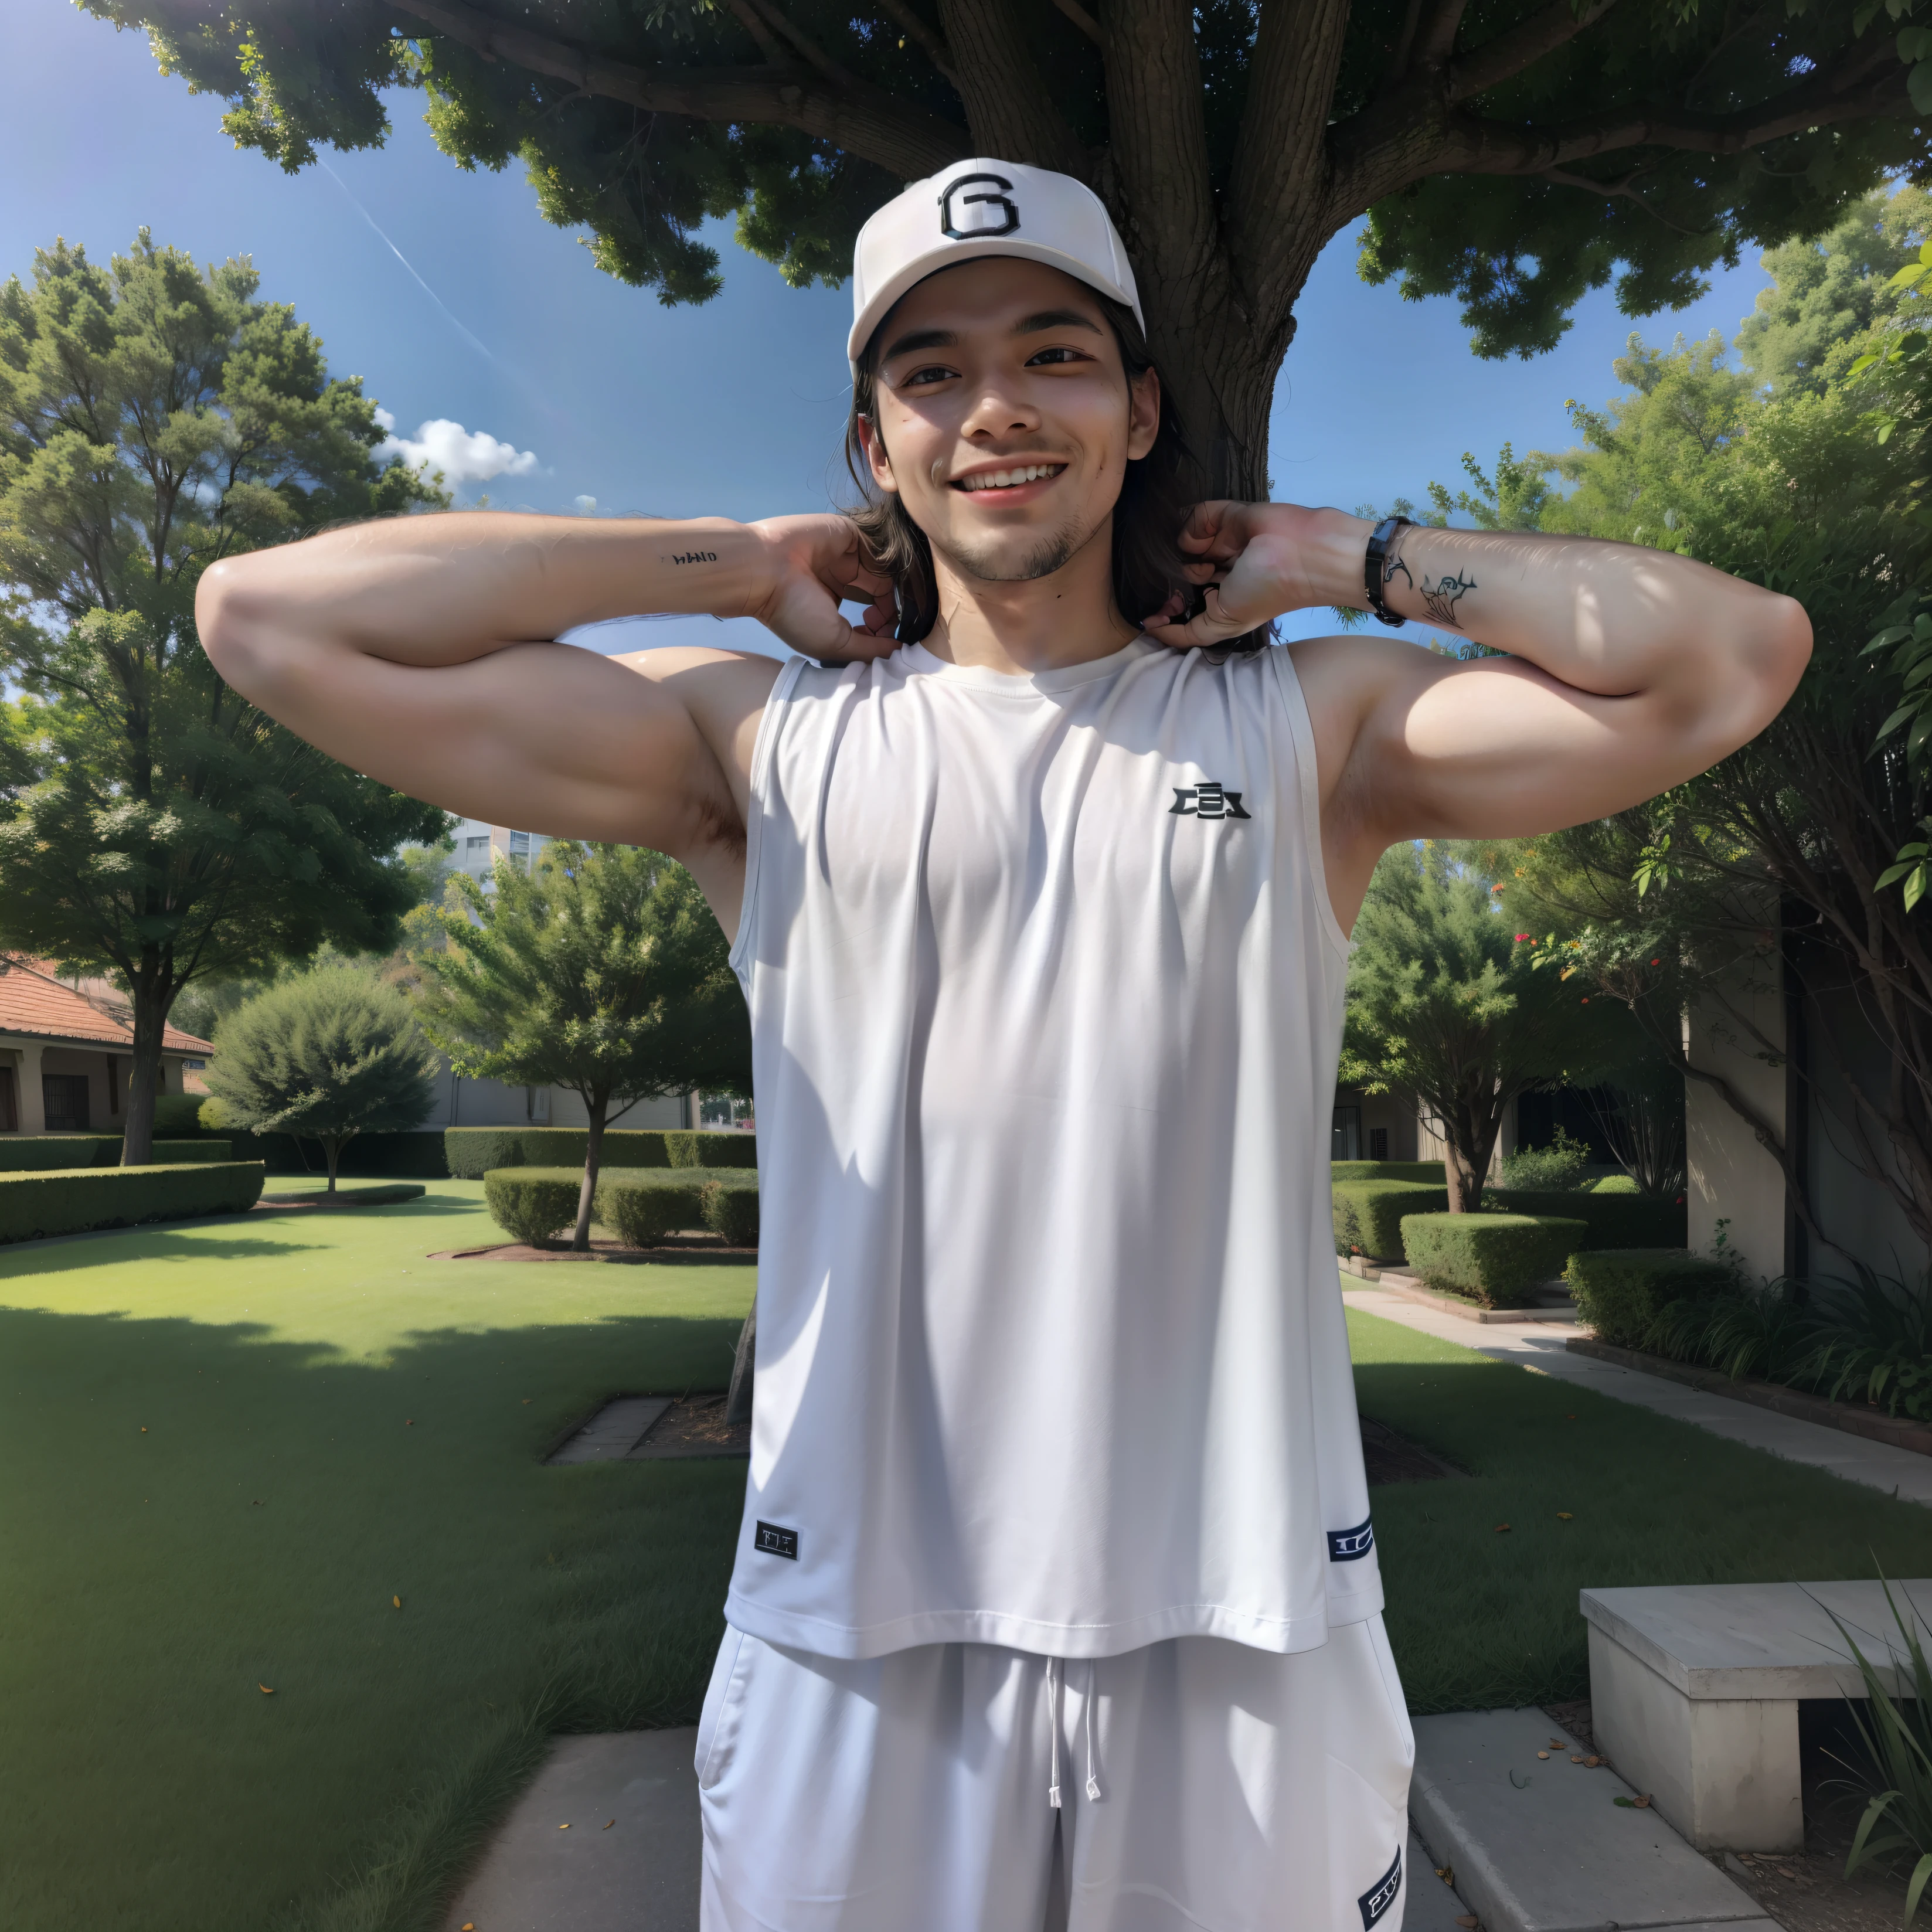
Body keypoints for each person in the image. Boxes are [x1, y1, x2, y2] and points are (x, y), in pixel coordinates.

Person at [196, 158, 1811, 1932]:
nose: (995, 410)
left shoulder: (1310, 727)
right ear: (877, 444)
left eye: (1052, 355)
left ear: (1136, 412)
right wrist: (735, 569)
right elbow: (270, 621)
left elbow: (1729, 657)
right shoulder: (756, 754)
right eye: (931, 373)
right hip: (853, 1634)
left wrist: (1354, 559)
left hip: (1251, 1614)